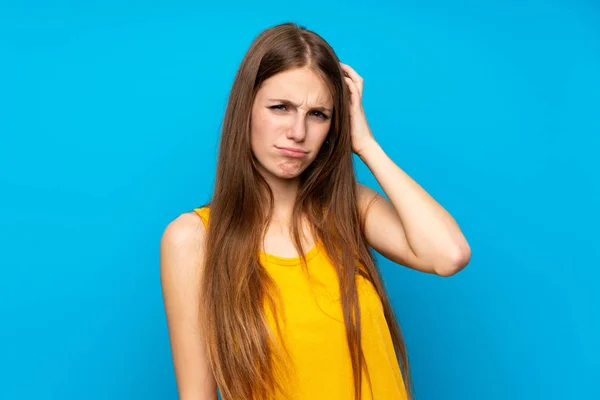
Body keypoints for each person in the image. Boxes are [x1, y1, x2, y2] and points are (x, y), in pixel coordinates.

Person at [160, 22, 471, 400]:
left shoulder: (348, 208)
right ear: (246, 109)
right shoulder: (194, 239)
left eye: (319, 114)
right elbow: (197, 395)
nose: (298, 132)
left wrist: (366, 145)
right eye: (280, 108)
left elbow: (448, 254)